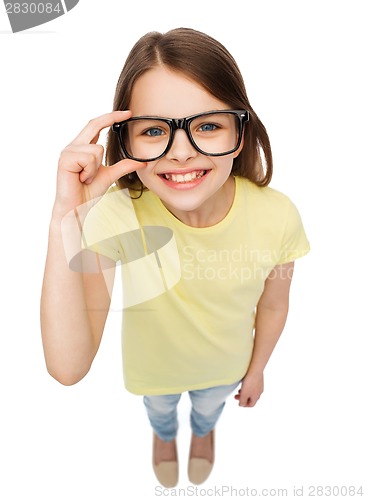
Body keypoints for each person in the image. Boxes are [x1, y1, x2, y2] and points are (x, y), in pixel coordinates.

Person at [40, 27, 310, 488]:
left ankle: (203, 433)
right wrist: (67, 214)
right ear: (125, 143)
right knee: (161, 413)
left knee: (207, 411)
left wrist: (258, 368)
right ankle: (164, 437)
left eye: (207, 125)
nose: (181, 153)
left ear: (240, 133)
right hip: (154, 373)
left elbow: (274, 303)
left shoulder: (278, 214)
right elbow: (68, 367)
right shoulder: (120, 216)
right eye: (154, 131)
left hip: (226, 369)